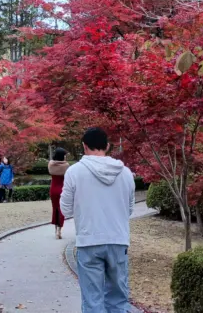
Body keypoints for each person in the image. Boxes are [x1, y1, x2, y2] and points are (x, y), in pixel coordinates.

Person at [61, 127, 135, 313]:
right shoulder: (125, 173)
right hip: (118, 240)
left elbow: (65, 209)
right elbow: (129, 209)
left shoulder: (74, 172)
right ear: (107, 146)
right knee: (118, 299)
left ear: (84, 146)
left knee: (92, 300)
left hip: (89, 240)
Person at [48, 147, 69, 239]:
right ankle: (59, 231)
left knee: (55, 209)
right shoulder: (66, 166)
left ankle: (56, 229)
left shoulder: (51, 164)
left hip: (53, 188)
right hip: (62, 189)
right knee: (61, 210)